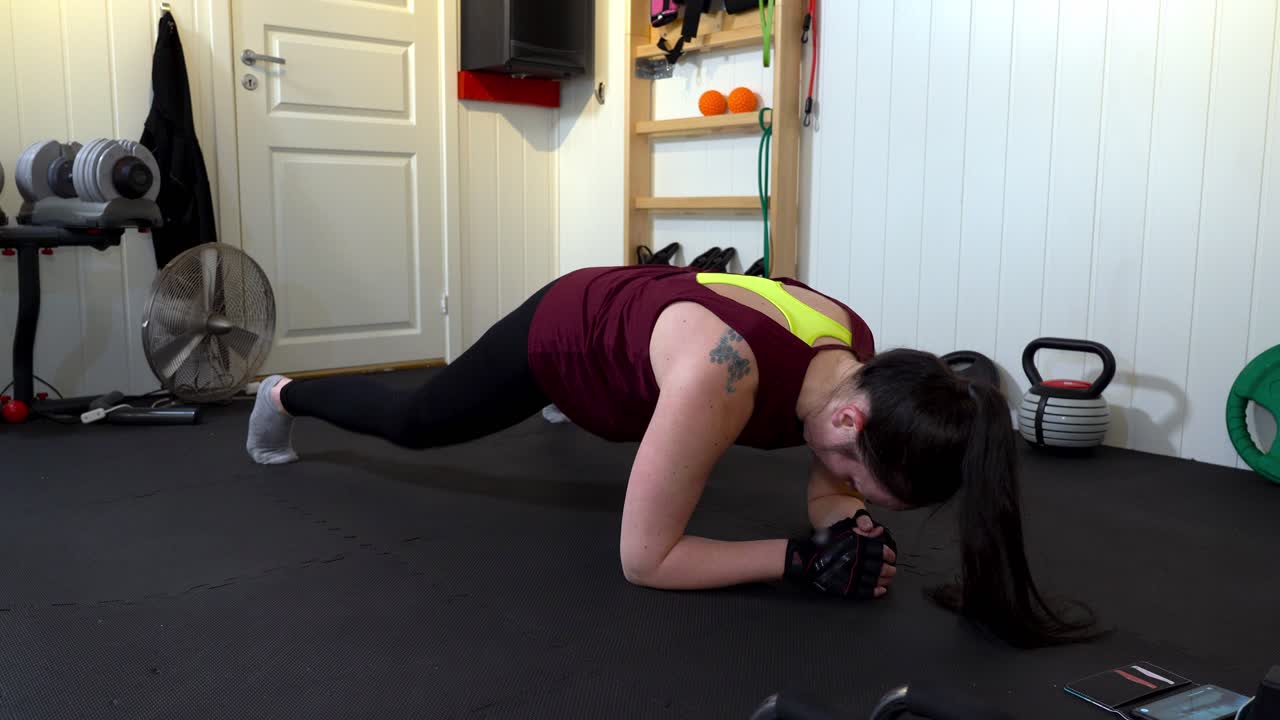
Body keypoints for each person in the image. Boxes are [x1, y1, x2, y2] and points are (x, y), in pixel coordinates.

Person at [246, 264, 1096, 648]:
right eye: (853, 478)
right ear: (847, 420)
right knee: (419, 420)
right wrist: (800, 561)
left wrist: (851, 530)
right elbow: (645, 560)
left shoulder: (859, 359)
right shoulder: (723, 381)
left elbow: (829, 475)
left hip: (652, 335)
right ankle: (285, 394)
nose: (842, 488)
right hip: (568, 332)